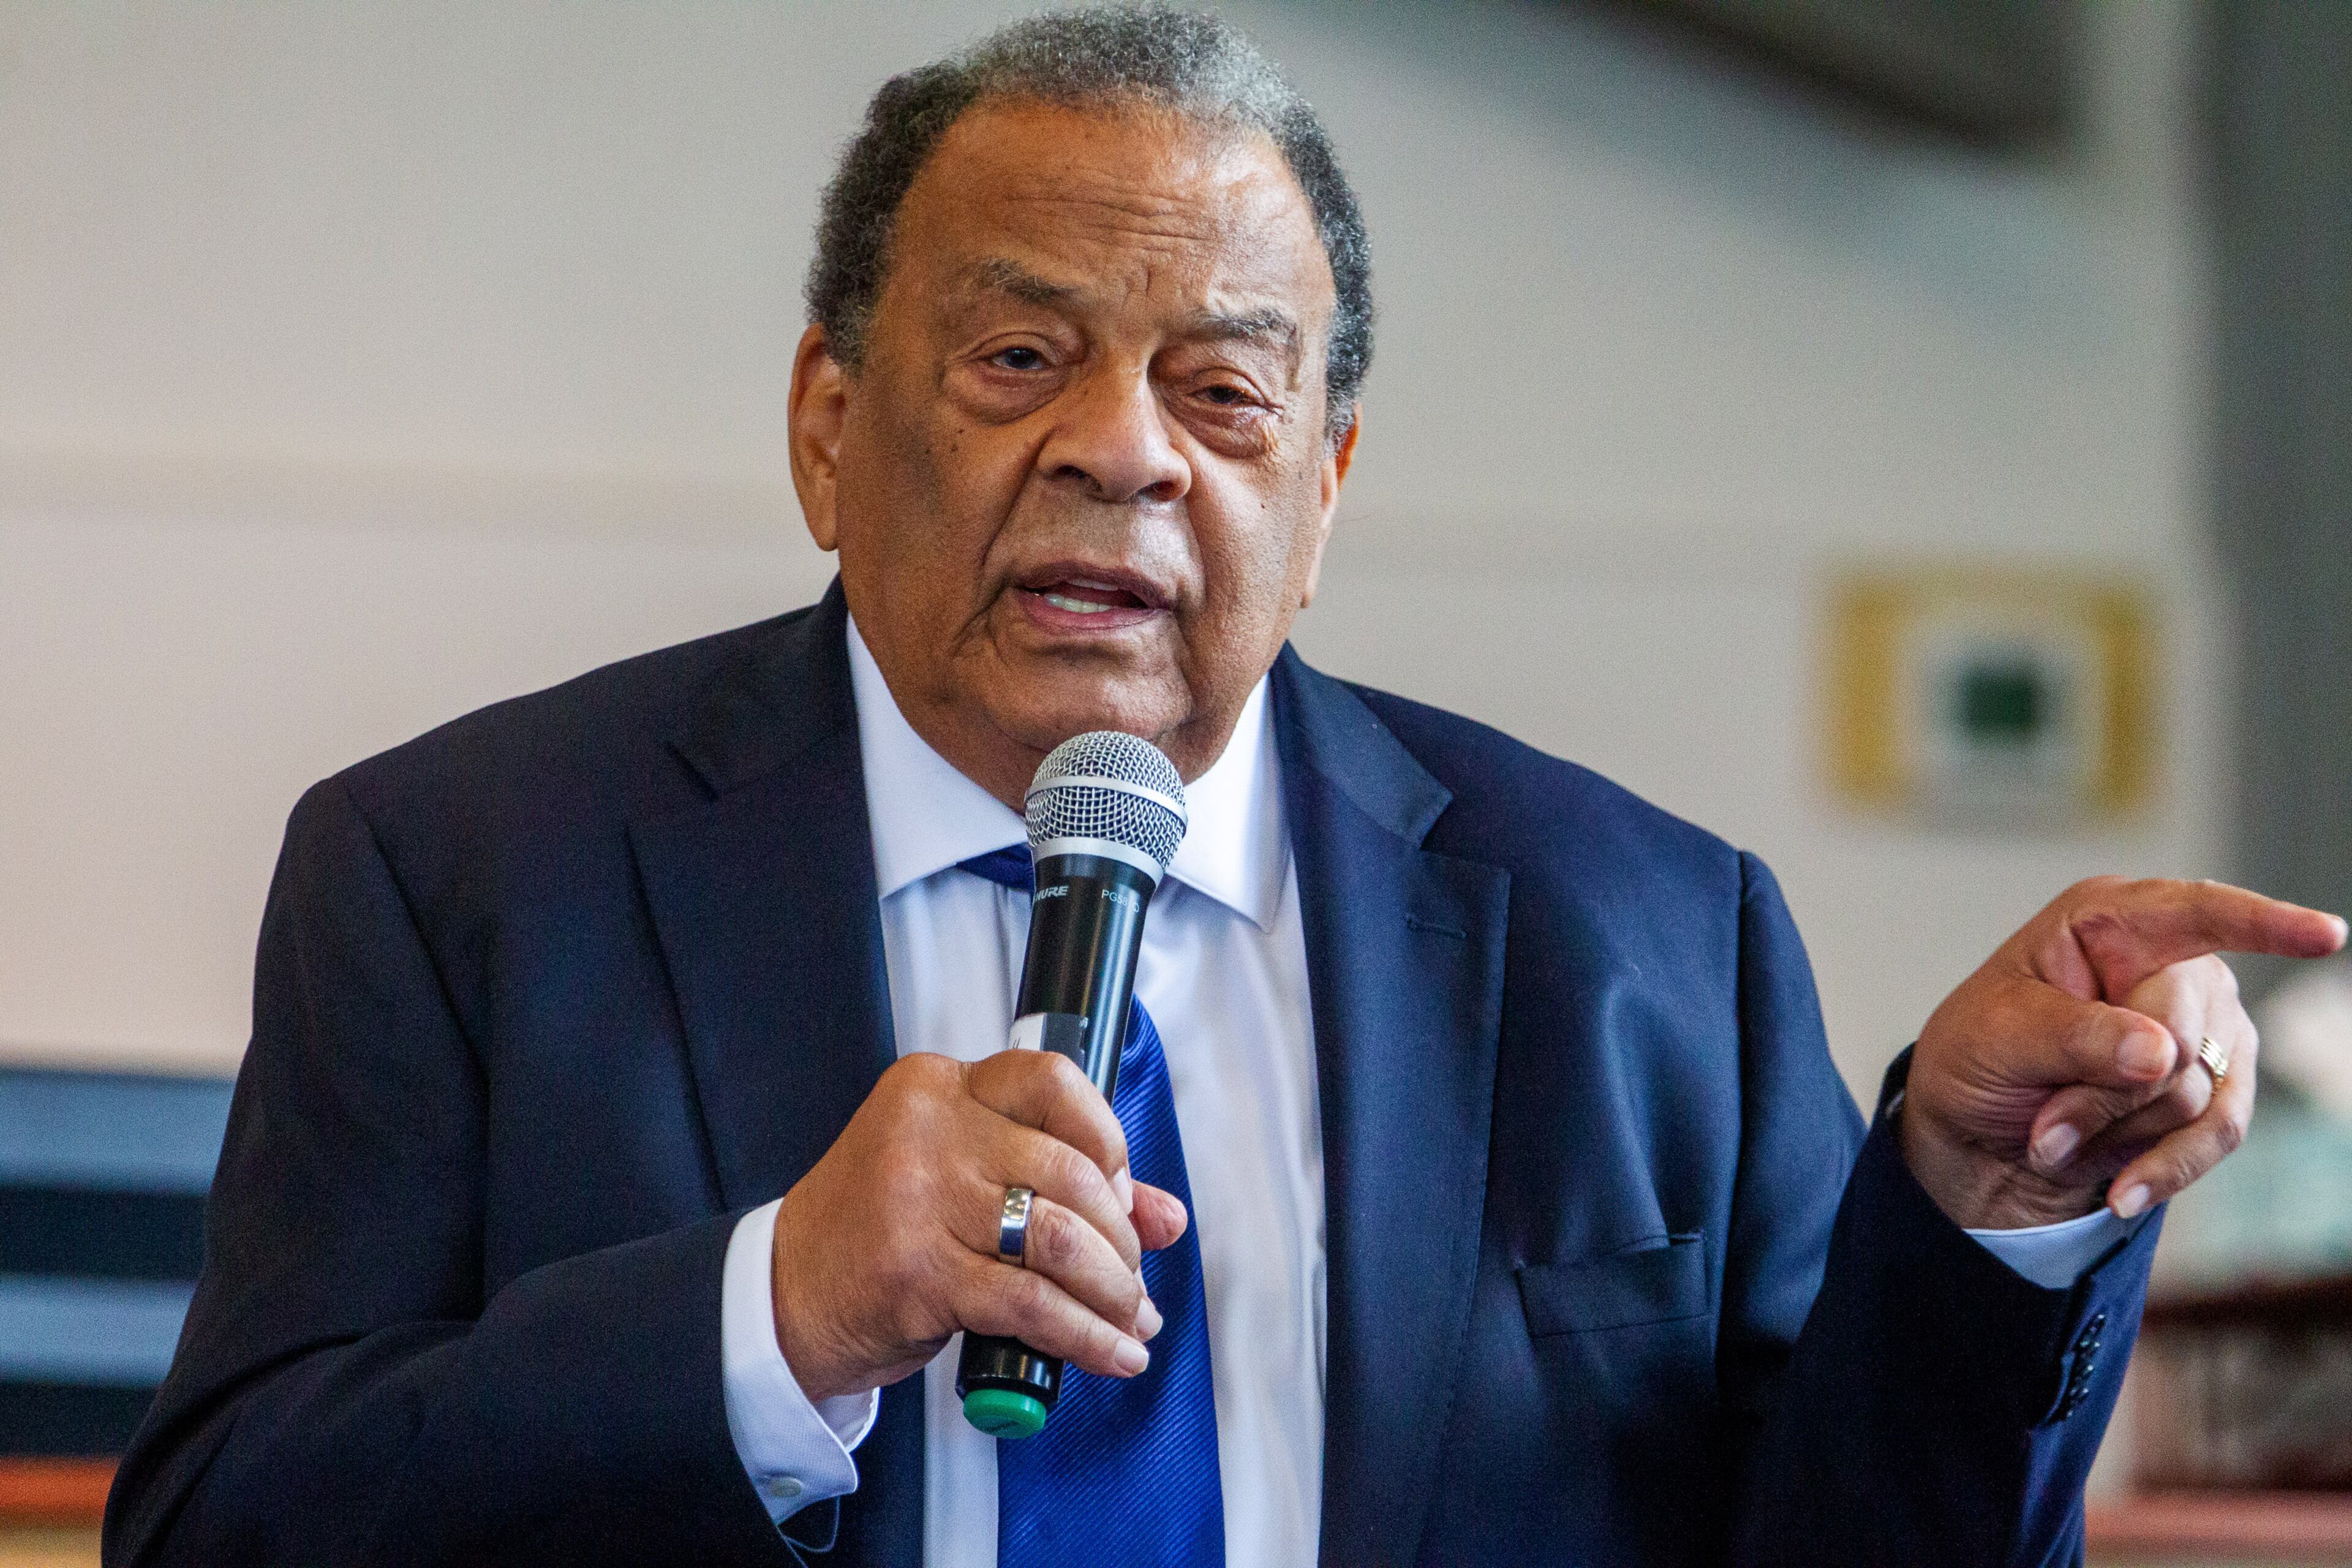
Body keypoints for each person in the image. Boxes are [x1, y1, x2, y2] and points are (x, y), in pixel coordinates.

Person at [102, 10, 2345, 1567]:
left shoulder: (1647, 940)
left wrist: (1981, 1211)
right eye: (1016, 359)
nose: (1124, 449)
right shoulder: (466, 877)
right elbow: (231, 1530)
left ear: (1329, 482)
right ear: (823, 424)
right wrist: (769, 1309)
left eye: (1224, 391)